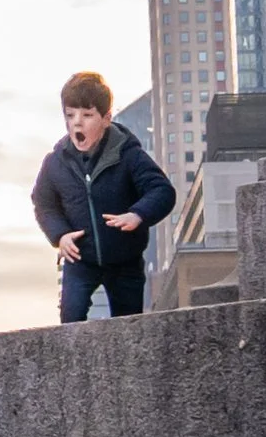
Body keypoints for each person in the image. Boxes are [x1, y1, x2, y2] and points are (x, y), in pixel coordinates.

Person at [32, 71, 177, 323]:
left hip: (124, 258)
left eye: (87, 115)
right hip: (81, 258)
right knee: (71, 316)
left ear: (106, 119)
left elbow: (162, 190)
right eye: (70, 115)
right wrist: (60, 235)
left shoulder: (129, 156)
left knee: (128, 323)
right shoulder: (55, 163)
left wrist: (137, 214)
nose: (77, 123)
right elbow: (43, 203)